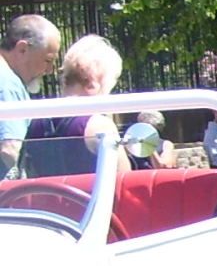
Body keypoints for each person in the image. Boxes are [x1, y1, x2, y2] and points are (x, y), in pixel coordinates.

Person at [24, 35, 127, 175]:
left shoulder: (35, 121)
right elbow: (123, 177)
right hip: (89, 197)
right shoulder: (99, 126)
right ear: (94, 83)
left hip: (44, 197)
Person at [1, 13, 62, 176]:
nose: (49, 71)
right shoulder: (8, 84)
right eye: (47, 61)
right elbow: (9, 150)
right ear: (22, 49)